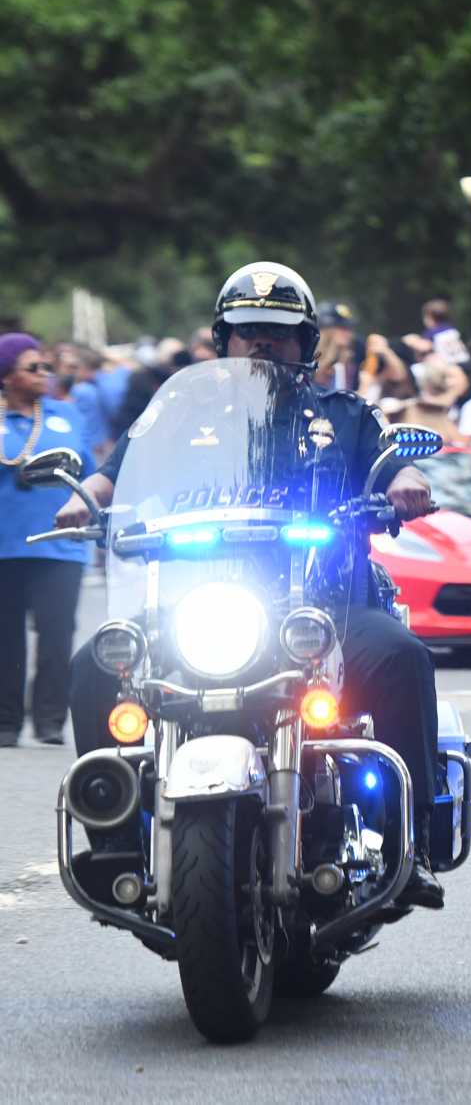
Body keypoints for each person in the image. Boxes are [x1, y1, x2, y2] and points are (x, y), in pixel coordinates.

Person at [57, 264, 445, 909]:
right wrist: (87, 502)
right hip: (200, 603)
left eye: (278, 333)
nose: (262, 344)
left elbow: (390, 461)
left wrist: (403, 483)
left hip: (326, 608)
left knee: (404, 657)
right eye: (247, 332)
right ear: (223, 340)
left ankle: (417, 843)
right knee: (95, 665)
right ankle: (114, 839)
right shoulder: (179, 414)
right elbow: (116, 472)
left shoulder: (343, 415)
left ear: (305, 344)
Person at [0, 335, 96, 746]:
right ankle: (5, 722)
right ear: (6, 377)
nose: (44, 375)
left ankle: (50, 720)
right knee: (6, 637)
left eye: (45, 367)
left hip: (60, 544)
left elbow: (92, 471)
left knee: (57, 634)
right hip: (5, 544)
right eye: (32, 368)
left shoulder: (66, 415)